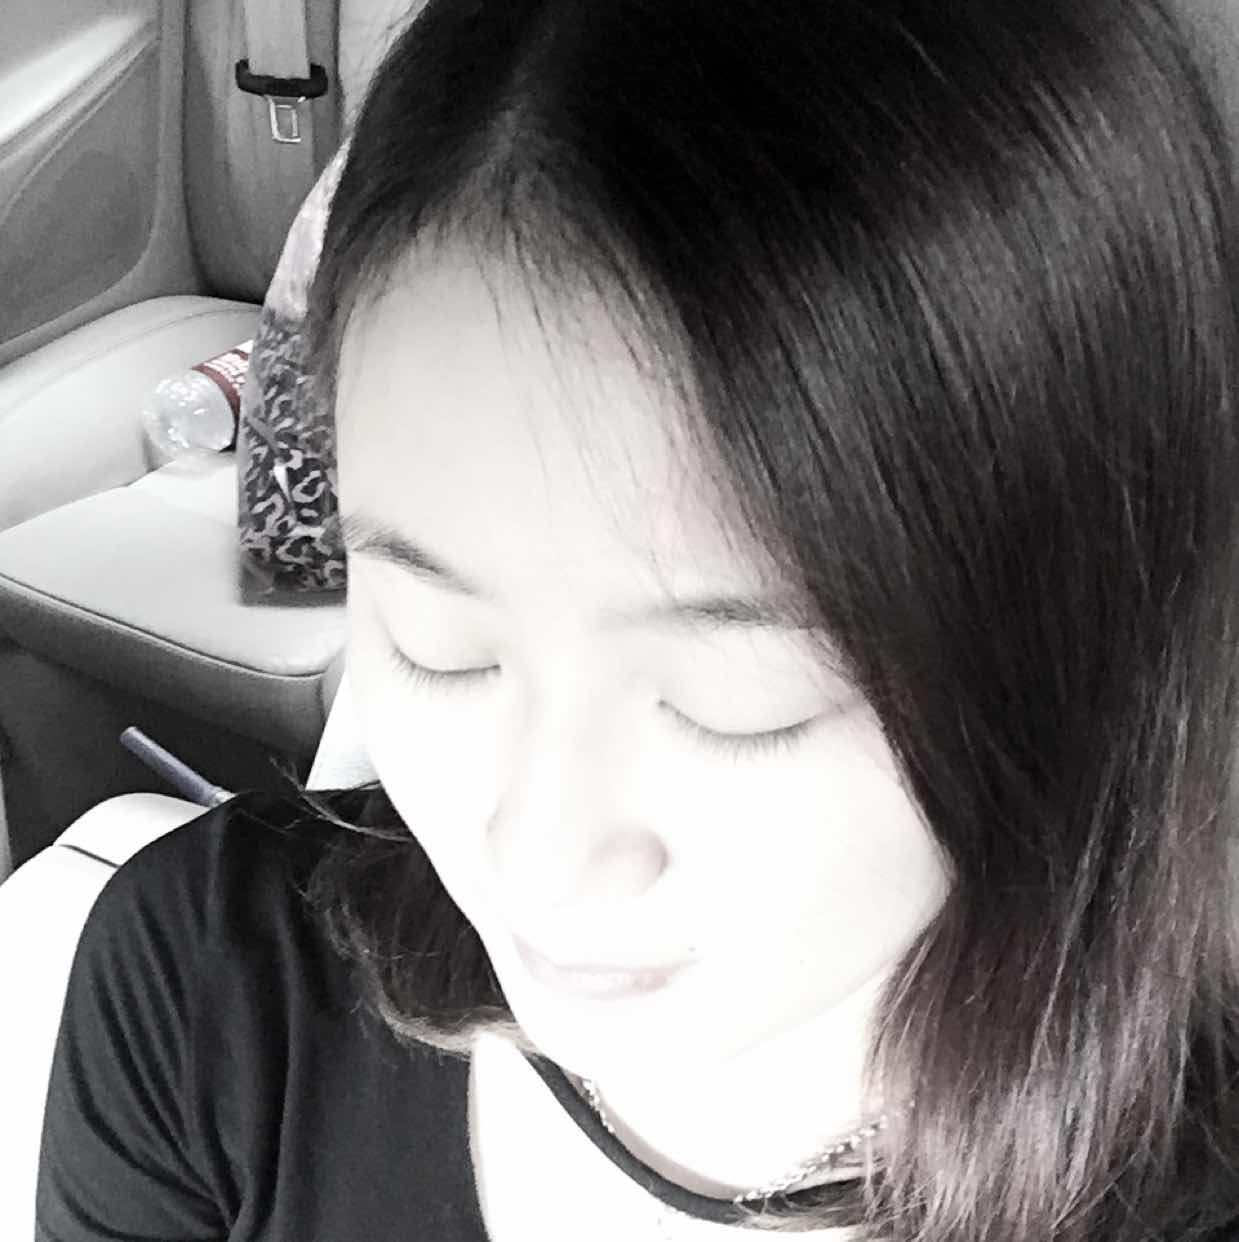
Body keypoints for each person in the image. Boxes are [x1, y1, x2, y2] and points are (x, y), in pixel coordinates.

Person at [35, 0, 1239, 1238]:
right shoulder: (202, 996)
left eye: (736, 698)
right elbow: (287, 533)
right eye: (438, 641)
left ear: (1093, 641)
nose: (536, 857)